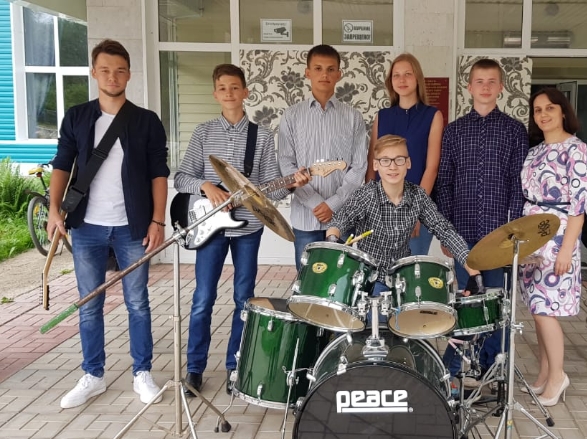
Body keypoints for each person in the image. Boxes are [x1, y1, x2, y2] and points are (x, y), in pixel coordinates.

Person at [174, 64, 310, 397]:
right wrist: (206, 186)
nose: (229, 93)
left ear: (246, 92)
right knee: (203, 298)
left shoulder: (260, 135)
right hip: (209, 228)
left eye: (235, 87)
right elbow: (181, 177)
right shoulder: (203, 132)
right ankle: (194, 369)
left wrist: (292, 183)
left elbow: (271, 188)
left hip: (248, 229)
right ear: (215, 94)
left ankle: (235, 366)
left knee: (243, 298)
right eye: (223, 88)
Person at [47, 39, 169, 409]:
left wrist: (157, 220)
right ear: (94, 73)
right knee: (89, 304)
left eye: (119, 70)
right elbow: (62, 164)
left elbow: (158, 173)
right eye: (105, 70)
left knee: (138, 302)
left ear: (129, 74)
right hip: (87, 227)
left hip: (132, 227)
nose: (112, 77)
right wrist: (54, 209)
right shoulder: (77, 117)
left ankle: (142, 373)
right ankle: (93, 375)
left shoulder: (146, 121)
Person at [436, 58, 529, 384]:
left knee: (498, 303)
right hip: (462, 235)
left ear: (501, 87)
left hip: (499, 235)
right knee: (467, 302)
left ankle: (494, 369)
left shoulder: (515, 131)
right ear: (469, 87)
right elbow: (444, 182)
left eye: (491, 81)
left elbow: (518, 185)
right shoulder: (454, 131)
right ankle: (459, 368)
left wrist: (514, 233)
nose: (485, 87)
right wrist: (446, 233)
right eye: (479, 81)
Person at [327, 135, 478, 298]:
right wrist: (333, 238)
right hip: (370, 280)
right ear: (376, 165)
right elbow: (340, 220)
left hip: (402, 279)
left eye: (399, 160)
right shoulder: (366, 195)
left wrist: (474, 272)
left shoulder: (418, 196)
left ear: (408, 163)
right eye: (385, 160)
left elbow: (445, 231)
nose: (393, 166)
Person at [518, 87, 587, 406]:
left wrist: (567, 249)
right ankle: (544, 373)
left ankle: (558, 376)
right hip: (532, 234)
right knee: (538, 310)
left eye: (550, 107)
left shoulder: (577, 150)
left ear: (563, 111)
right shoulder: (535, 151)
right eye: (538, 110)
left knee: (546, 310)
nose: (543, 114)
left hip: (559, 235)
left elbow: (579, 206)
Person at [279, 44, 368, 270]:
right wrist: (316, 202)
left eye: (330, 69)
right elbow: (286, 163)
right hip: (305, 217)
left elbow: (359, 167)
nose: (324, 74)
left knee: (342, 281)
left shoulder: (353, 117)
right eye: (318, 68)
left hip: (343, 216)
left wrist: (333, 203)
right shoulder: (291, 116)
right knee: (307, 282)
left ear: (339, 74)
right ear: (308, 73)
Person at [365, 53, 444, 256]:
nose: (402, 79)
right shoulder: (382, 117)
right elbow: (372, 166)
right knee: (380, 270)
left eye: (408, 74)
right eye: (396, 75)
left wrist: (415, 212)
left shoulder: (433, 116)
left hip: (417, 207)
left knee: (410, 270)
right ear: (390, 81)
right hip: (382, 209)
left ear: (417, 78)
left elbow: (431, 168)